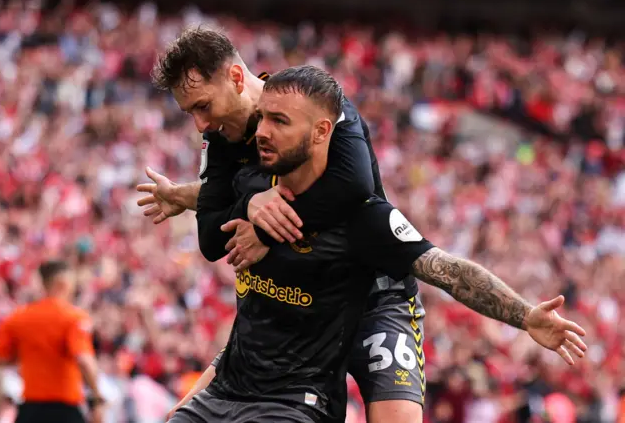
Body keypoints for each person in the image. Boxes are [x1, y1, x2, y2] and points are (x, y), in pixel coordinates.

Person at [167, 66, 587, 423]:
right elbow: (211, 205)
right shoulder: (252, 188)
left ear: (321, 131)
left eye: (279, 122)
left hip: (377, 305)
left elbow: (447, 269)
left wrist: (524, 315)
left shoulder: (362, 214)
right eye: (263, 119)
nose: (262, 133)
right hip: (295, 338)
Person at [139, 27, 428, 423]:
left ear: (237, 79)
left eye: (202, 106)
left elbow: (354, 187)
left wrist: (259, 224)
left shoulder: (306, 100)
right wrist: (249, 205)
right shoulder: (222, 138)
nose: (199, 124)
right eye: (190, 112)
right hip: (303, 300)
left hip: (375, 294)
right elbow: (210, 239)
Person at [0, 260, 105, 423]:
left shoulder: (17, 318)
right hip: (64, 409)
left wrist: (31, 354)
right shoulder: (73, 317)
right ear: (62, 284)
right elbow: (84, 360)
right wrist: (97, 399)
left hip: (30, 409)